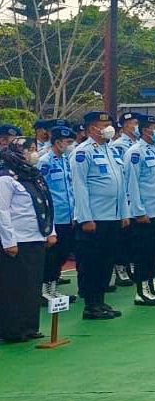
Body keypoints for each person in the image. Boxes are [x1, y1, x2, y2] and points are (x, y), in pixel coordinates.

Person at [70, 111, 129, 320]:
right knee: (92, 262)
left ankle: (101, 301)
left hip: (112, 217)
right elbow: (80, 187)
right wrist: (86, 217)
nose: (108, 127)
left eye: (108, 123)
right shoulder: (82, 153)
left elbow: (120, 184)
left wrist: (124, 212)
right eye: (103, 124)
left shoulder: (111, 151)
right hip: (95, 218)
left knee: (106, 260)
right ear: (91, 129)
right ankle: (91, 304)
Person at [0, 140, 56, 342]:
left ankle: (29, 326)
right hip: (18, 239)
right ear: (16, 153)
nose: (34, 153)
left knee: (32, 285)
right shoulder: (7, 177)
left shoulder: (34, 175)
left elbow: (47, 204)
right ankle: (13, 329)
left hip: (36, 236)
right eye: (29, 150)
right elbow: (2, 212)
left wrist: (50, 231)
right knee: (15, 286)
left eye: (34, 149)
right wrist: (9, 242)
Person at [122, 115, 155, 306]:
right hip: (145, 212)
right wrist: (138, 211)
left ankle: (153, 285)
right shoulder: (136, 153)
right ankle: (141, 290)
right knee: (143, 252)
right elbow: (132, 184)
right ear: (145, 130)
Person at [38, 126, 76, 301]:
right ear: (58, 142)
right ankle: (45, 289)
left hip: (67, 215)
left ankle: (53, 287)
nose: (70, 145)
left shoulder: (66, 160)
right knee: (52, 255)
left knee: (63, 251)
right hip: (55, 216)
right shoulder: (45, 161)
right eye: (68, 142)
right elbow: (42, 189)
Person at [107, 111, 140, 290]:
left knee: (133, 235)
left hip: (135, 195)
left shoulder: (138, 144)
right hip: (123, 196)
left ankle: (131, 264)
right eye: (133, 123)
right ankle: (120, 268)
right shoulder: (119, 146)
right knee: (123, 236)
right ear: (125, 126)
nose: (136, 126)